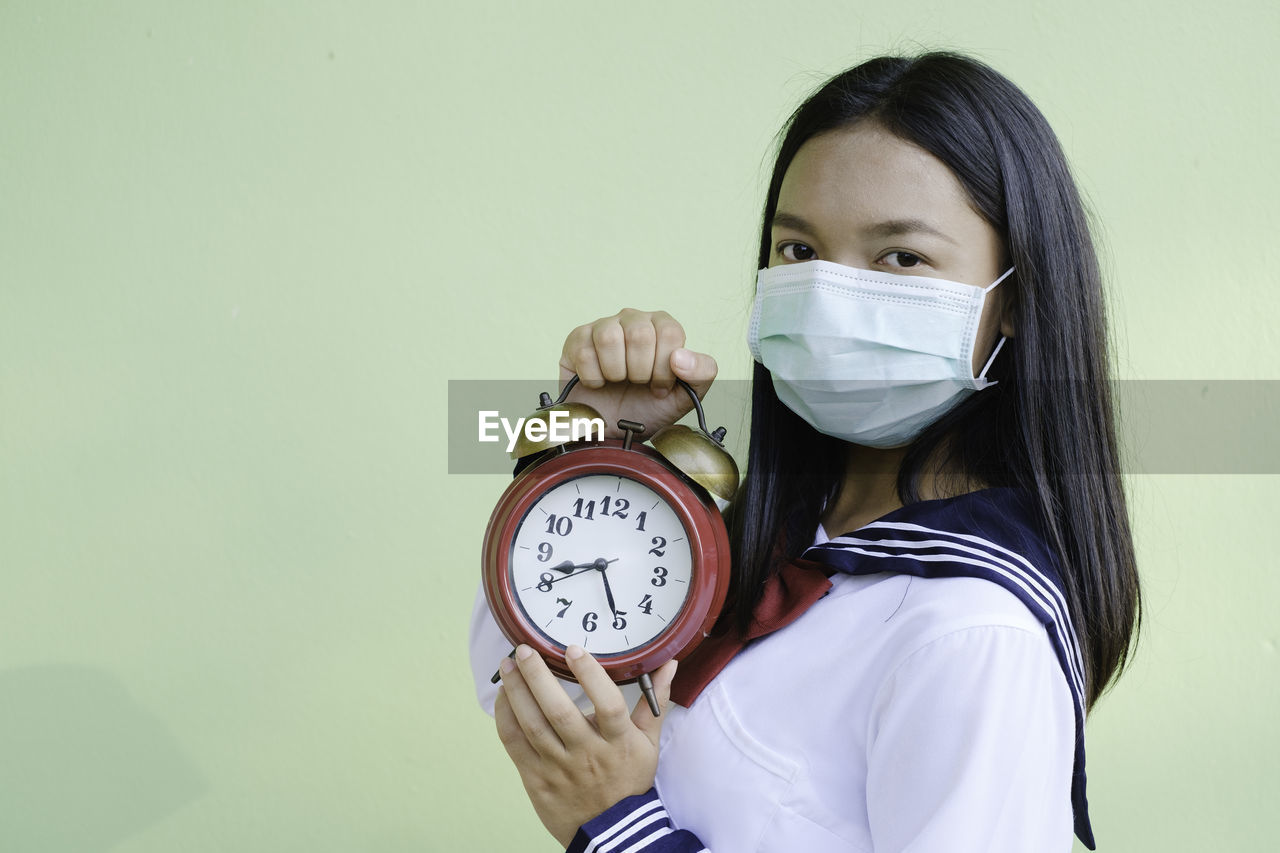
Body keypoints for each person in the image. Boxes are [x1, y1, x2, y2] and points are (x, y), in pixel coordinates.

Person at [469, 51, 1142, 852]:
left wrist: (620, 828)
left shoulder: (972, 633)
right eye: (798, 251)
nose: (828, 294)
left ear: (1014, 303)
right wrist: (589, 440)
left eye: (901, 257)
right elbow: (524, 671)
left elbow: (590, 779)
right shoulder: (773, 534)